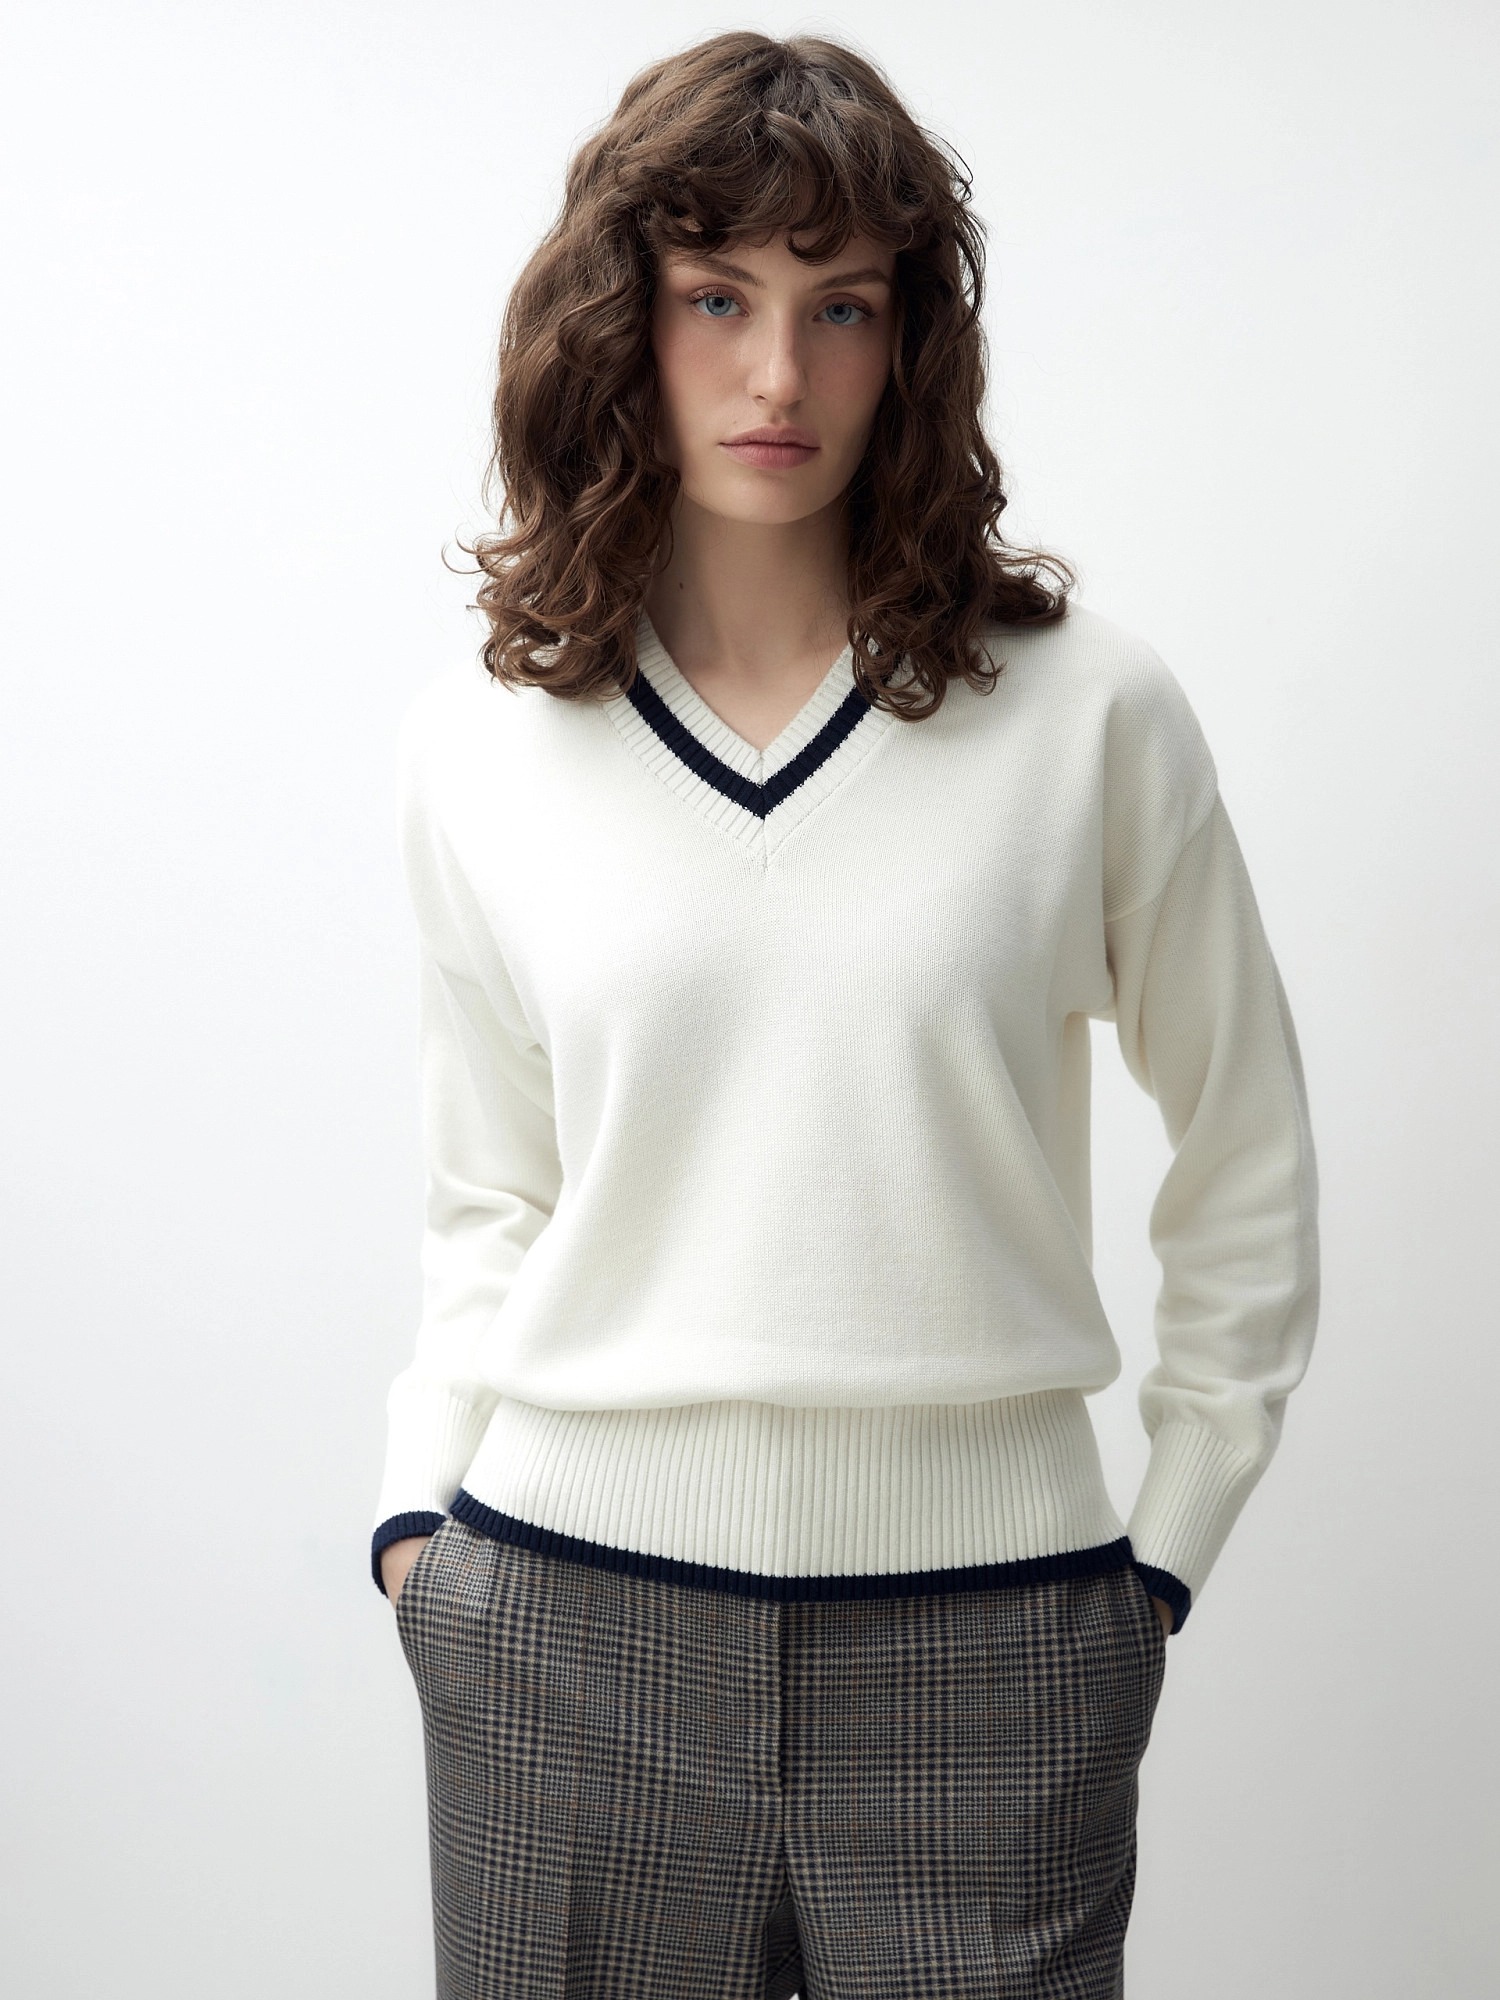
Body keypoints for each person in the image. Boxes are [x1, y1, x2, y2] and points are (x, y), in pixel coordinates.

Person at [369, 29, 1320, 2000]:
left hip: (994, 1644)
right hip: (563, 1634)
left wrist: (1162, 1550)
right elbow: (493, 1193)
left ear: (913, 343)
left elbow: (1245, 1150)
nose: (779, 376)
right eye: (715, 298)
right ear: (617, 323)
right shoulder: (486, 744)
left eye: (842, 306)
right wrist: (416, 1523)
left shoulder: (1089, 714)